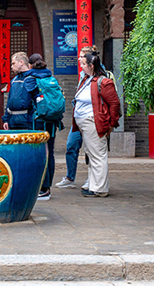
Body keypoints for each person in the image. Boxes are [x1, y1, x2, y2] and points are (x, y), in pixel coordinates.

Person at [73, 52, 121, 198]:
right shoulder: (87, 80)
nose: (81, 66)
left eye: (83, 64)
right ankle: (94, 185)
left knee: (97, 155)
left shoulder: (103, 82)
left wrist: (111, 124)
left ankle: (99, 188)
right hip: (85, 123)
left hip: (93, 122)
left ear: (91, 65)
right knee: (92, 154)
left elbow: (114, 104)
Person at [55, 45, 99, 190]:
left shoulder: (100, 74)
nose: (79, 58)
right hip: (78, 118)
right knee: (71, 145)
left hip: (91, 119)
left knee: (91, 150)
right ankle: (70, 177)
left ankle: (91, 179)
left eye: (82, 56)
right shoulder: (82, 74)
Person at [26, 53, 63, 201]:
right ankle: (47, 187)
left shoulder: (30, 79)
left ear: (30, 65)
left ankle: (41, 188)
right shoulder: (51, 78)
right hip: (52, 121)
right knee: (51, 152)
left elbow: (25, 101)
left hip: (38, 120)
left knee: (40, 152)